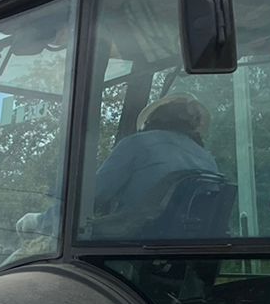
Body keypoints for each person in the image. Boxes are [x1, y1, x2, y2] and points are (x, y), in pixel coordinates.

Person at [91, 94, 220, 230]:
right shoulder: (208, 159)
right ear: (194, 125)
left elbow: (94, 194)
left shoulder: (137, 144)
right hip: (192, 242)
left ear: (153, 118)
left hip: (136, 239)